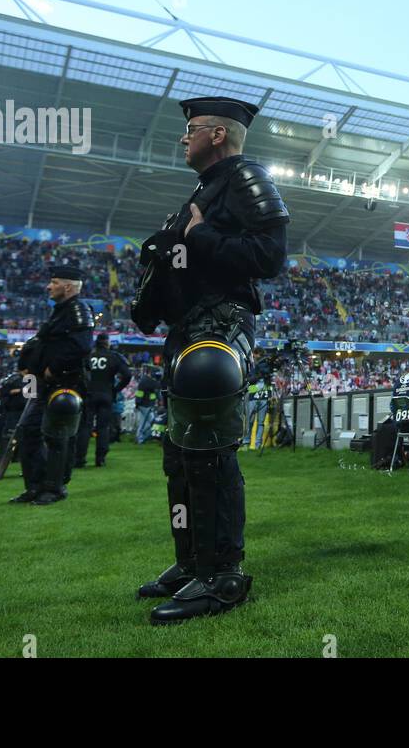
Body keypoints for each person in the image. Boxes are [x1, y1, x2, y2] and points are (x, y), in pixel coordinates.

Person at [131, 96, 289, 624]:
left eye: (192, 129)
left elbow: (270, 257)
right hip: (187, 327)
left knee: (206, 450)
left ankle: (223, 575)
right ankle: (190, 562)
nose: (183, 137)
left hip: (221, 324)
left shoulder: (246, 177)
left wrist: (199, 234)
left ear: (217, 134)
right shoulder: (200, 192)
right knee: (178, 454)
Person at [10, 266, 93, 506]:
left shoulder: (78, 309)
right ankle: (34, 486)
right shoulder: (59, 312)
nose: (49, 286)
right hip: (43, 384)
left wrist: (53, 368)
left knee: (57, 436)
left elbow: (81, 346)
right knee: (29, 432)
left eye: (54, 282)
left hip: (65, 383)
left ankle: (54, 488)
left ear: (67, 287)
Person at [74, 335, 132, 468]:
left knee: (85, 427)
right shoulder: (113, 357)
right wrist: (116, 389)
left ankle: (80, 459)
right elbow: (127, 375)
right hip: (106, 394)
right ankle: (100, 459)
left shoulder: (88, 356)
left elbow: (79, 373)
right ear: (107, 343)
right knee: (103, 427)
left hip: (89, 394)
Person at [133, 366, 161, 445]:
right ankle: (140, 438)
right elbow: (156, 388)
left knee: (143, 422)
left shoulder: (146, 380)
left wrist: (137, 404)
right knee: (153, 422)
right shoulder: (148, 381)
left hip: (144, 404)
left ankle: (140, 438)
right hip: (145, 405)